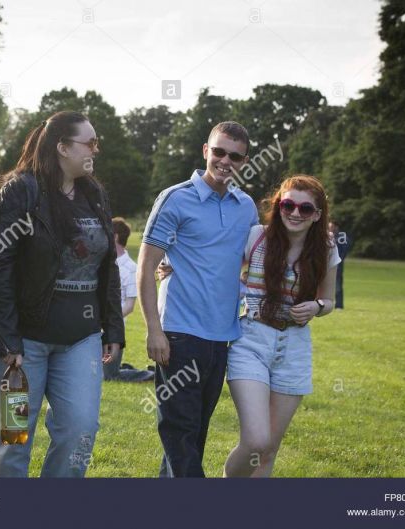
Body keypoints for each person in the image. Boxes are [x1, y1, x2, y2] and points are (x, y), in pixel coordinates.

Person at [0, 111, 124, 478]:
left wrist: (113, 329)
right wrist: (9, 341)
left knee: (81, 431)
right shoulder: (21, 191)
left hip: (81, 338)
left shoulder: (95, 195)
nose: (97, 149)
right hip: (22, 345)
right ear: (62, 147)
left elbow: (108, 266)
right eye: (89, 143)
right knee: (13, 439)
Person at [138, 121, 259, 477]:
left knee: (193, 435)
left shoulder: (246, 207)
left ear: (244, 160)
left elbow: (244, 262)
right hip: (178, 335)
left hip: (222, 337)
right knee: (180, 433)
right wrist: (153, 330)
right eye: (219, 151)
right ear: (206, 151)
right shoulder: (175, 198)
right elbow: (145, 269)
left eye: (234, 156)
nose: (225, 160)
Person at [223, 175, 339, 478]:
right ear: (278, 206)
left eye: (305, 208)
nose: (295, 213)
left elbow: (328, 301)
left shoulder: (325, 249)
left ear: (317, 215)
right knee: (256, 440)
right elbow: (219, 271)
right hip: (251, 340)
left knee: (270, 448)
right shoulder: (257, 237)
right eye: (288, 204)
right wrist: (172, 265)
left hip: (294, 347)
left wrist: (317, 307)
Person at [102, 217, 152, 382]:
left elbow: (130, 306)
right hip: (92, 330)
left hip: (112, 331)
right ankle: (122, 367)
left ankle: (150, 374)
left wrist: (105, 321)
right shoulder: (101, 262)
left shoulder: (131, 268)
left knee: (108, 376)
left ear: (115, 236)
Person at [328, 220, 350, 309]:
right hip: (327, 265)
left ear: (336, 227)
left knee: (338, 286)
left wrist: (337, 259)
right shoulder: (328, 236)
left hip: (338, 266)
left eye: (331, 226)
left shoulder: (342, 237)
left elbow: (344, 251)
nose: (330, 228)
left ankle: (339, 305)